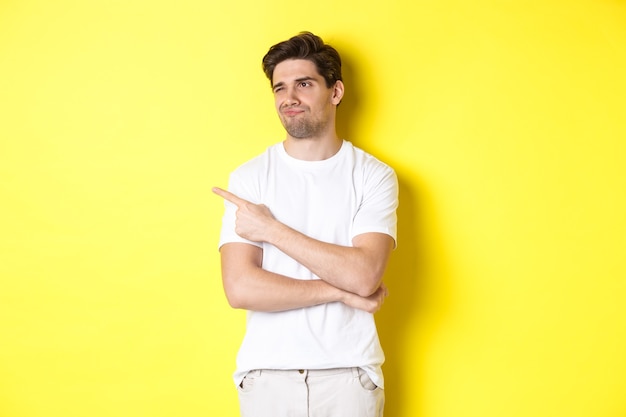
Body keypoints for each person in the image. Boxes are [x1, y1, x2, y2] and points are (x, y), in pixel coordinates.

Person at [213, 31, 398, 417]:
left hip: (349, 375)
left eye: (304, 84)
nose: (289, 98)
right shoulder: (249, 178)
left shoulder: (373, 176)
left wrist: (271, 230)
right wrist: (340, 292)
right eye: (280, 88)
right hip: (267, 376)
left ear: (335, 92)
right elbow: (240, 287)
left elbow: (364, 275)